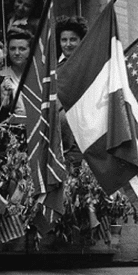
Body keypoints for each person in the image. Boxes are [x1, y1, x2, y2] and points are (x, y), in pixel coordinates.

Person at [54, 15, 88, 166]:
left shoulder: (89, 67)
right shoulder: (55, 70)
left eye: (73, 39)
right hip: (62, 141)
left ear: (81, 41)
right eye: (64, 40)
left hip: (85, 138)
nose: (67, 44)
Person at [0, 28, 33, 118]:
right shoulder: (0, 75)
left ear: (30, 50)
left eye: (22, 49)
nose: (16, 53)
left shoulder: (39, 74)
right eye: (12, 49)